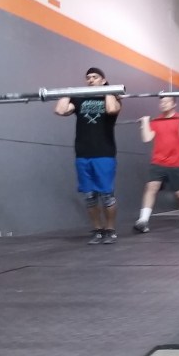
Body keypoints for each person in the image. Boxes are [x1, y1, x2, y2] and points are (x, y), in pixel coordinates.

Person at [54, 67, 121, 245]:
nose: (90, 80)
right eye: (88, 77)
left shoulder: (112, 97)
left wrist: (108, 90)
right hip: (83, 153)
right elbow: (60, 110)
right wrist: (67, 92)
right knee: (90, 197)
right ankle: (97, 230)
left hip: (104, 153)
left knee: (107, 196)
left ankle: (110, 230)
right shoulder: (79, 98)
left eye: (95, 77)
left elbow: (111, 110)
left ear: (103, 80)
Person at [133, 97, 179, 233]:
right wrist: (145, 122)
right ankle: (143, 220)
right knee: (151, 187)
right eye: (161, 102)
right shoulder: (156, 120)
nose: (163, 104)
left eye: (167, 101)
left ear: (174, 104)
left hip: (178, 163)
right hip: (158, 161)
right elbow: (147, 138)